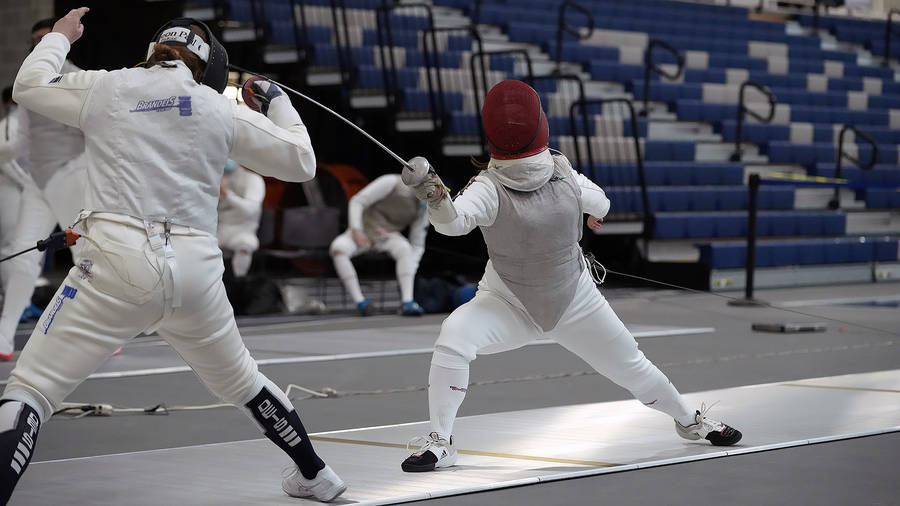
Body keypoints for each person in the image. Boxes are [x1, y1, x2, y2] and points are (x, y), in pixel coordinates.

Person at [0, 9, 345, 503]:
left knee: (30, 389)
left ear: (154, 51)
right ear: (204, 66)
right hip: (195, 275)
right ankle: (318, 475)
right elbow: (302, 162)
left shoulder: (107, 87)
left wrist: (58, 38)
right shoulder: (217, 107)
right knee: (243, 382)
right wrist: (278, 102)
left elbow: (27, 87)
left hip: (115, 265)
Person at [400, 80, 742, 473]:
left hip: (574, 300)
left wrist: (437, 197)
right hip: (509, 301)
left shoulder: (546, 176)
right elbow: (601, 203)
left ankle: (689, 420)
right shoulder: (498, 186)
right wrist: (436, 195)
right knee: (455, 338)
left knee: (631, 364)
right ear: (541, 125)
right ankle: (442, 440)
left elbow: (452, 223)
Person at [0, 18, 89, 360]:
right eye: (35, 40)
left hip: (71, 177)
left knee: (85, 258)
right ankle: (6, 335)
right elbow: (21, 142)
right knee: (24, 255)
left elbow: (95, 134)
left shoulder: (81, 80)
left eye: (47, 38)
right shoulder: (28, 81)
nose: (40, 45)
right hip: (39, 184)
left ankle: (96, 333)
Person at [329, 173, 428, 316]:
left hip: (386, 236)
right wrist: (356, 230)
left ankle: (408, 301)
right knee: (338, 248)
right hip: (363, 232)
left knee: (405, 249)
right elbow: (357, 201)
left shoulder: (426, 207)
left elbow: (417, 244)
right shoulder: (392, 182)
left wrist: (411, 265)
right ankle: (361, 302)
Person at [217, 159, 265, 277]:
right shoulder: (217, 178)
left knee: (246, 245)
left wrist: (227, 194)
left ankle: (239, 281)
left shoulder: (254, 180)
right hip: (219, 230)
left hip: (242, 231)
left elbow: (250, 209)